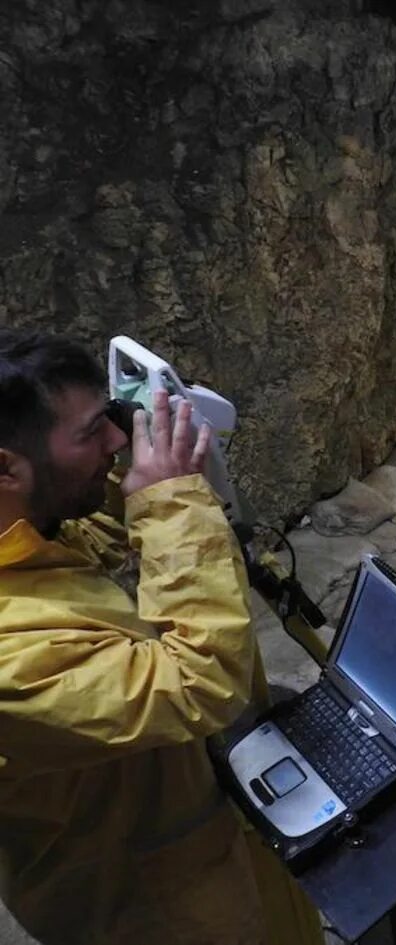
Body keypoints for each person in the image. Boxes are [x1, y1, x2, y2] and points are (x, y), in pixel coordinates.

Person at [0, 330, 322, 945]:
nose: (118, 440)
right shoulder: (9, 657)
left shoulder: (28, 533)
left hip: (188, 819)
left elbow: (94, 538)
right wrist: (173, 501)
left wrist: (148, 463)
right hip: (148, 901)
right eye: (93, 431)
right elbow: (204, 684)